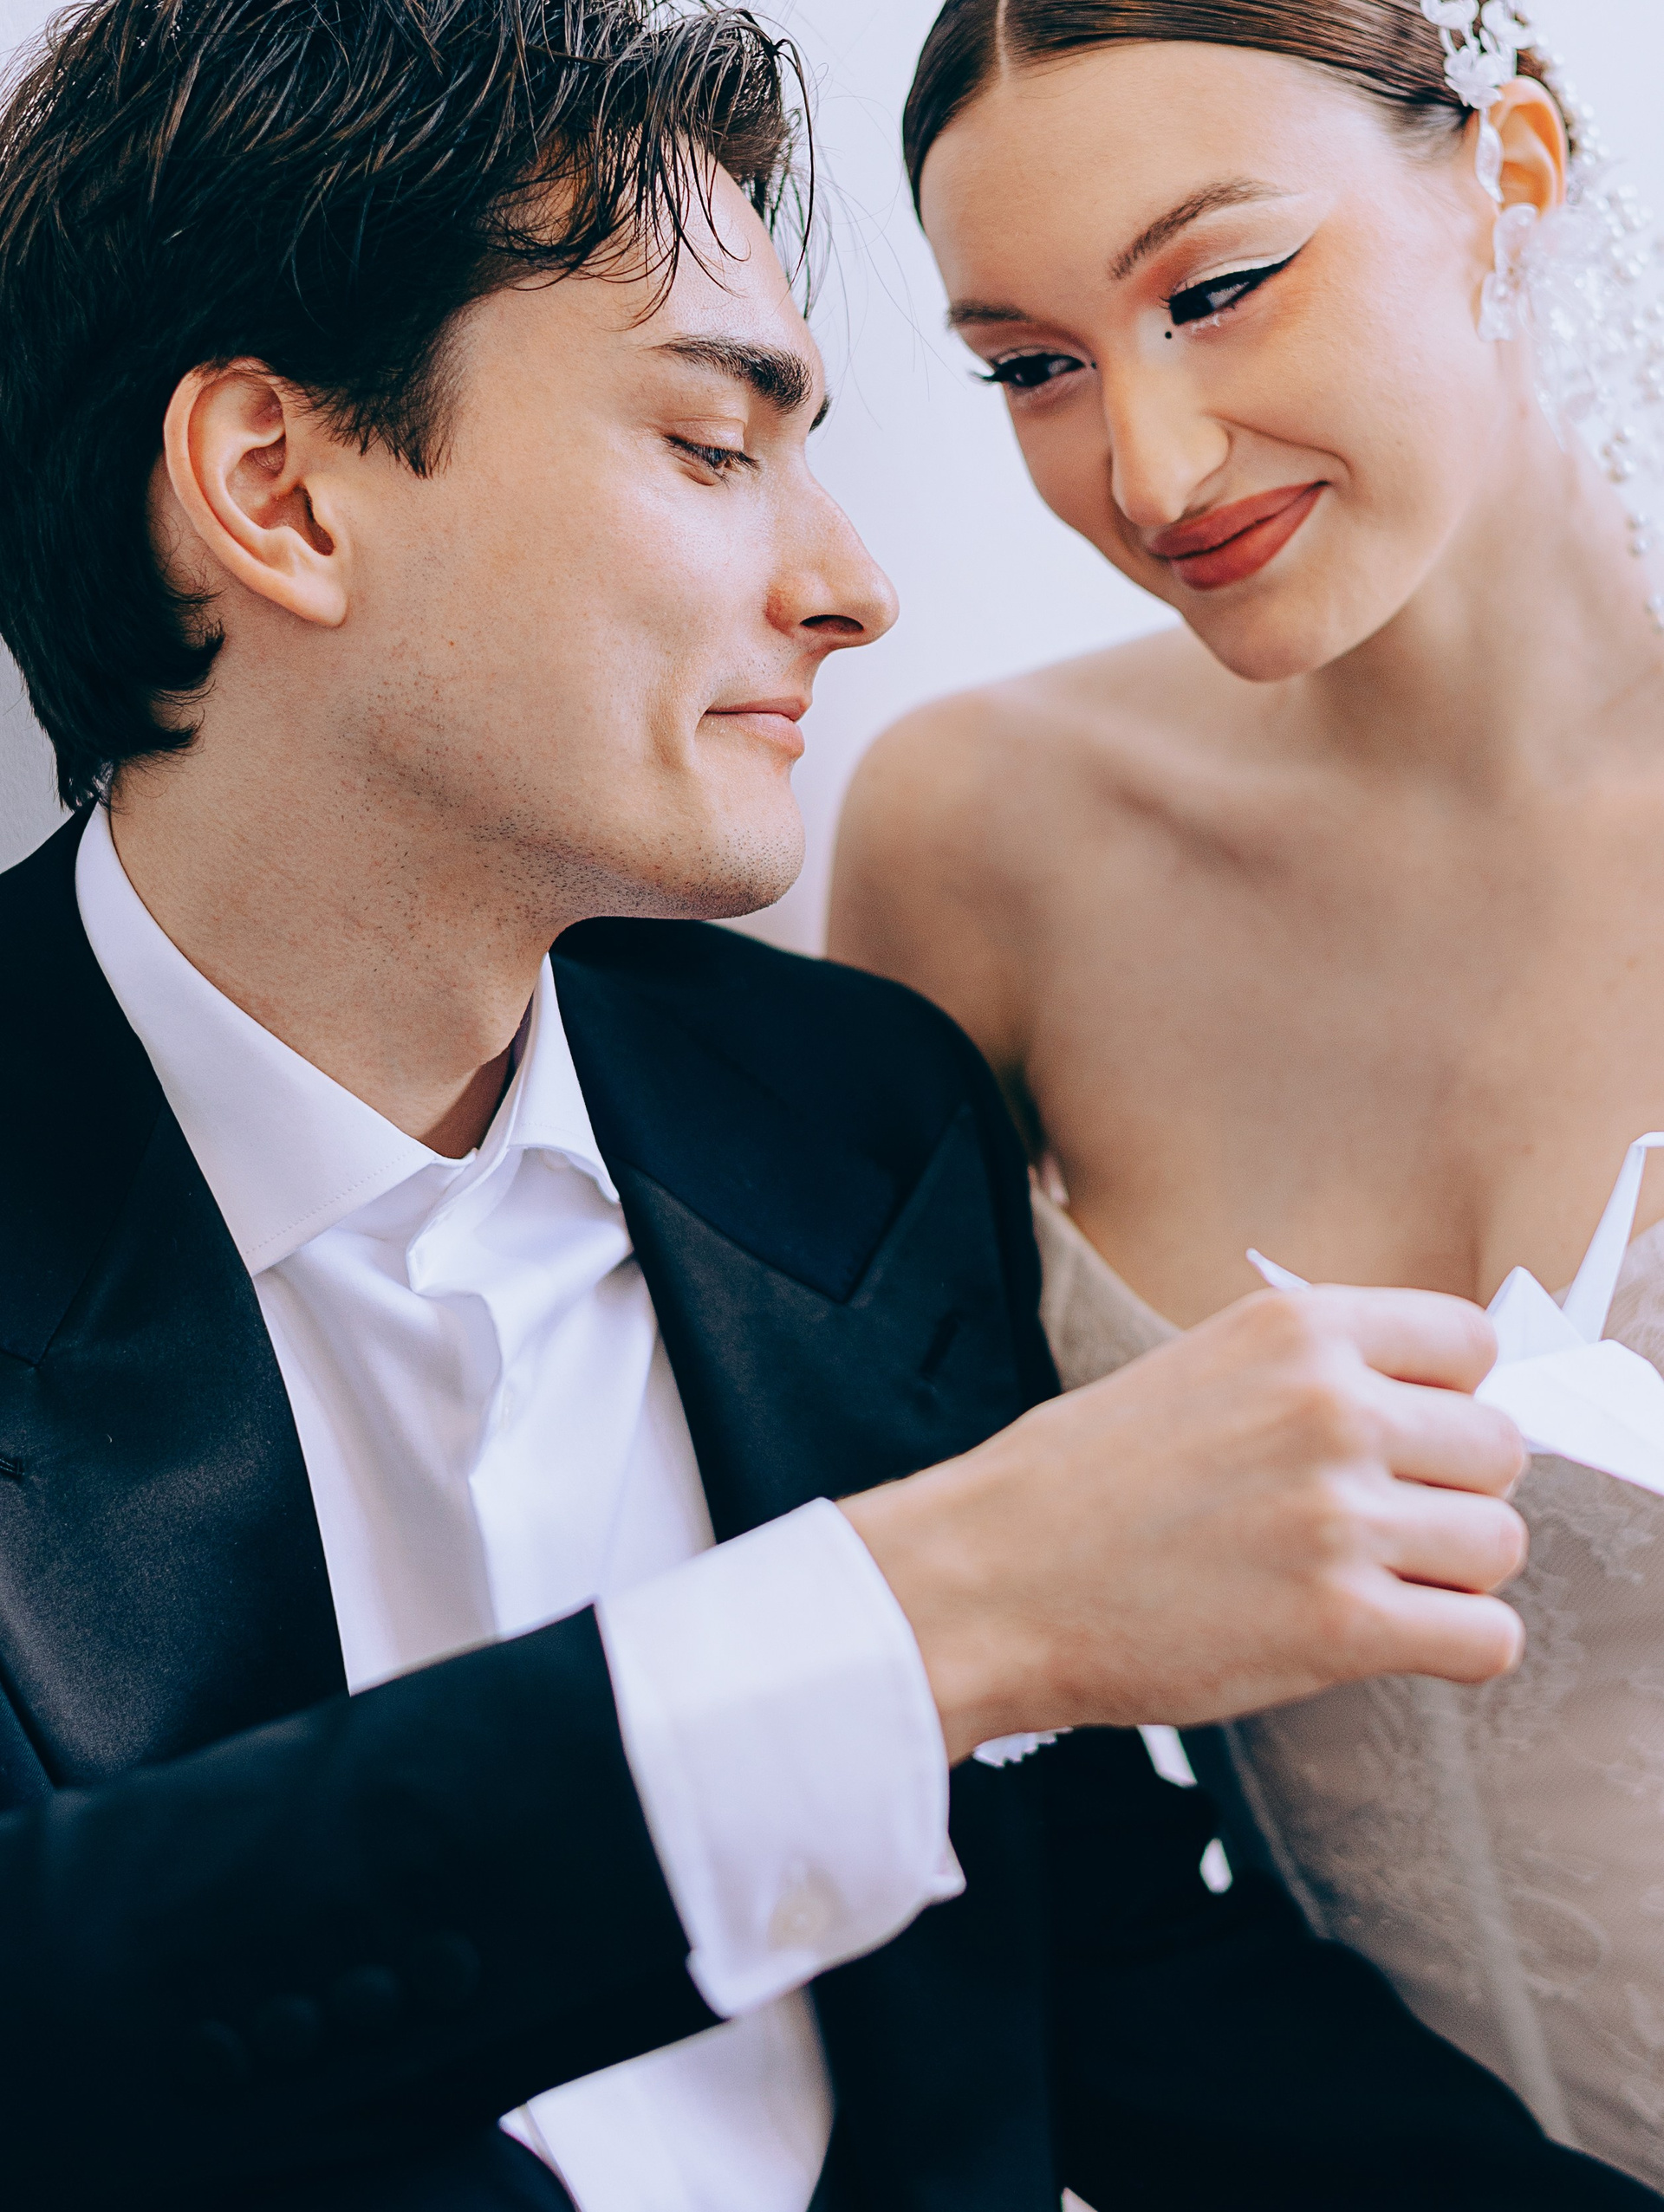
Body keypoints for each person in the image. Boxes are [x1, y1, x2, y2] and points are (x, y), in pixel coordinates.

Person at [0, 1, 1647, 2208]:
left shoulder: (848, 1120)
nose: (857, 589)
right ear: (280, 493)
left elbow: (1106, 1976)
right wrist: (927, 1609)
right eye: (712, 446)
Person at [831, 0, 1664, 2196]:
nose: (1154, 466)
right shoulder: (978, 848)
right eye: (1034, 365)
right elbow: (928, 1703)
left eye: (1214, 288)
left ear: (1508, 177)